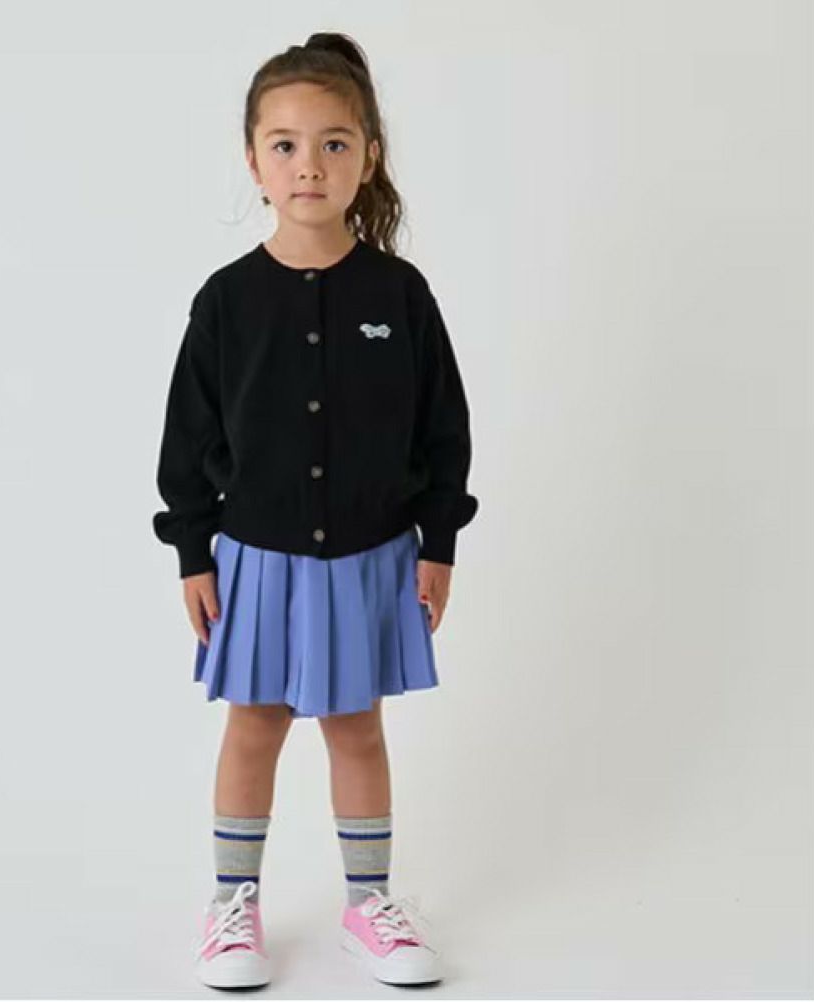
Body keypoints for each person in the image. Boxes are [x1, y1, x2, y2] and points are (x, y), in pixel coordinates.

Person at [152, 31, 478, 990]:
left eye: (334, 143)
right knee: (253, 724)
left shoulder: (400, 294)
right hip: (253, 556)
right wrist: (194, 553)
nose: (309, 165)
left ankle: (369, 903)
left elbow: (443, 426)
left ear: (368, 156)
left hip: (373, 553)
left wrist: (439, 541)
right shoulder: (225, 301)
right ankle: (232, 907)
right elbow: (185, 441)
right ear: (254, 160)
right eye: (285, 144)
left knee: (356, 726)